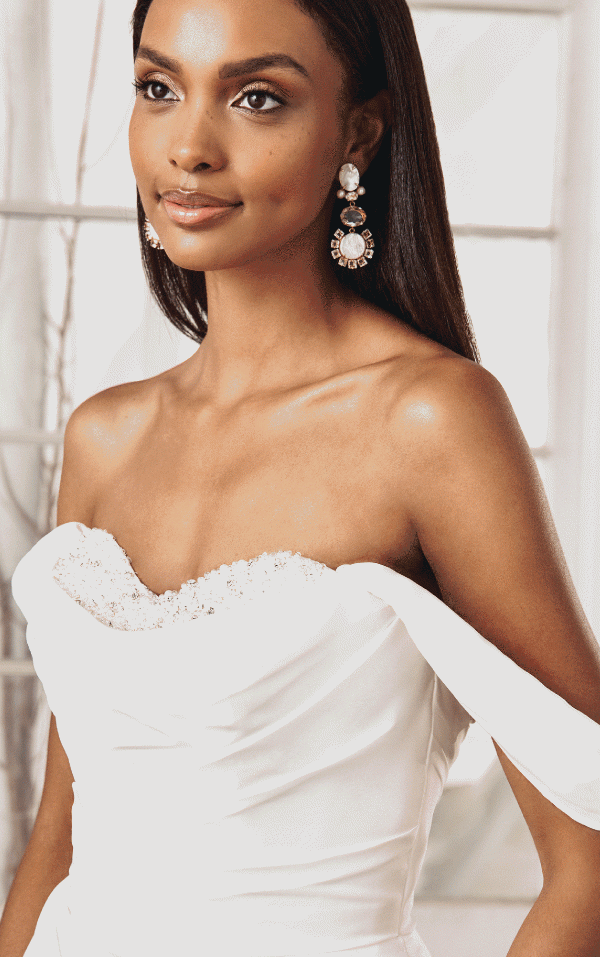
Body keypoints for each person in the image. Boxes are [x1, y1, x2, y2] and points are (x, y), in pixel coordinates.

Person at [1, 0, 600, 954]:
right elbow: (56, 845)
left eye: (255, 97)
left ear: (358, 128)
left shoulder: (431, 422)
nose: (188, 146)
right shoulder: (104, 437)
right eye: (159, 87)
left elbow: (591, 860)